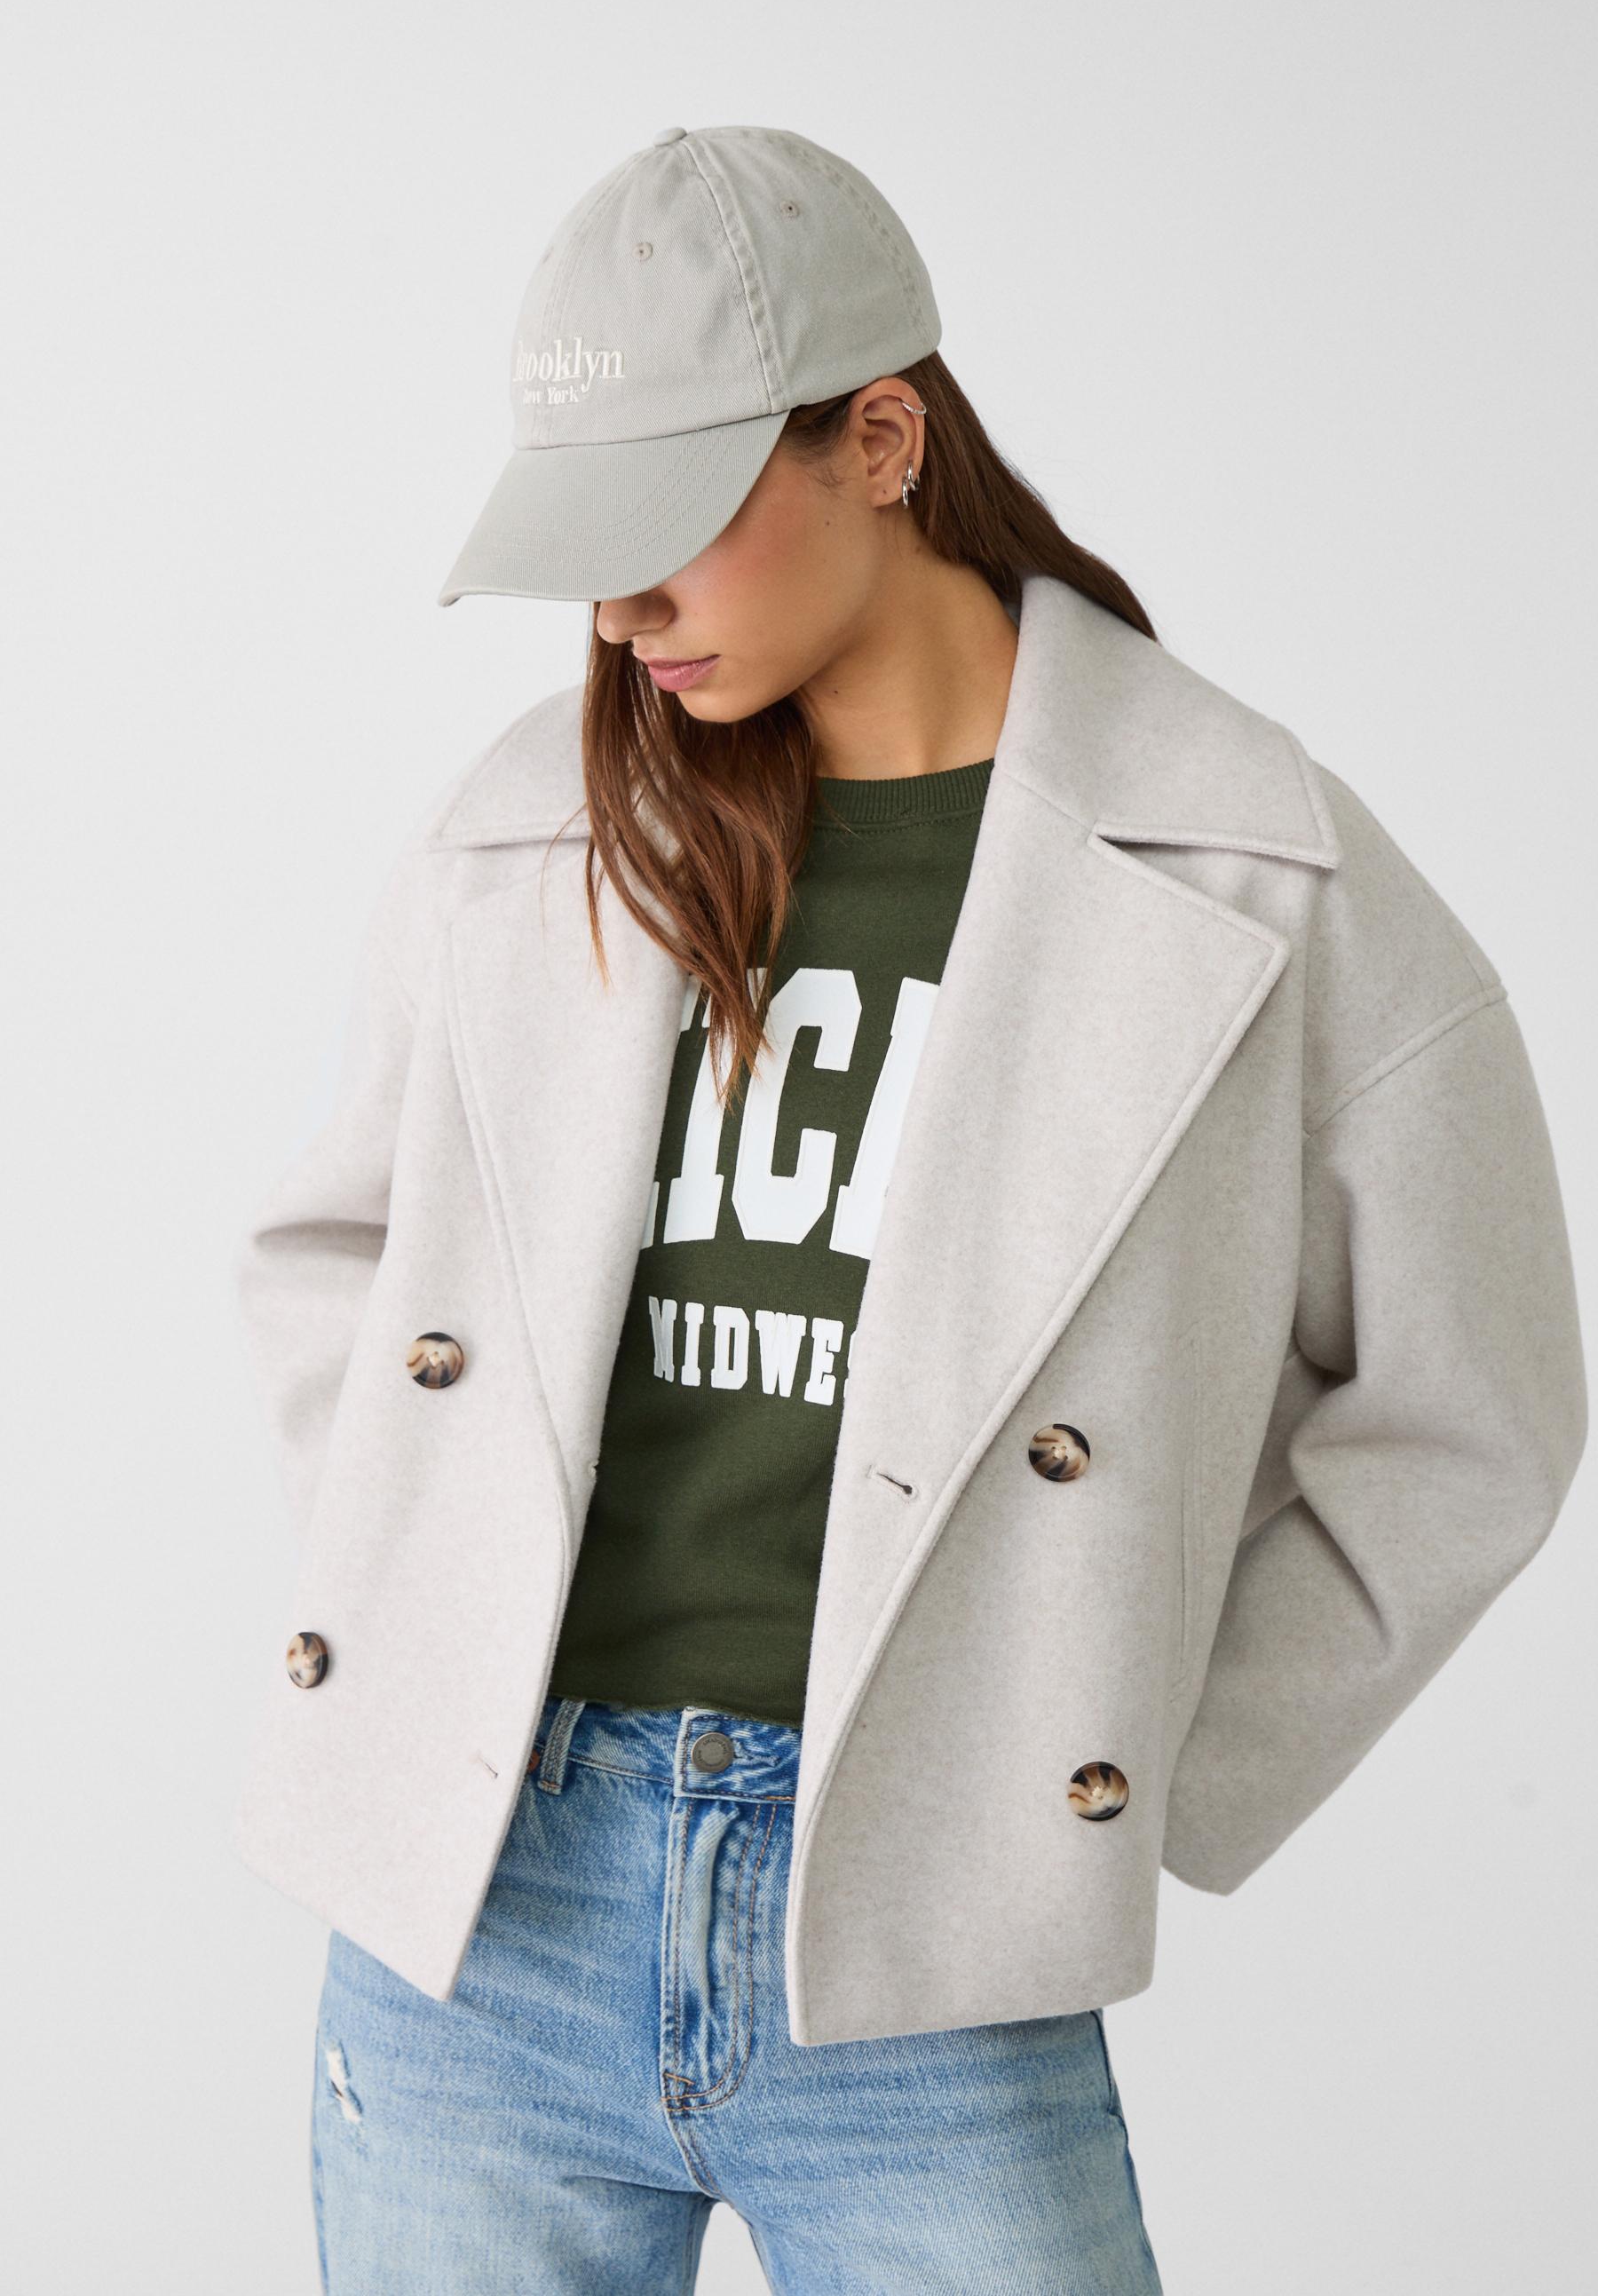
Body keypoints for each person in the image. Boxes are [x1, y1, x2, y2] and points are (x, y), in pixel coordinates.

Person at [231, 126, 1586, 2293]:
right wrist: (436, 1591)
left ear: (881, 441)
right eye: (583, 543)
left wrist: (1111, 1744)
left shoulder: (1250, 861)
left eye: (669, 526)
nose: (618, 610)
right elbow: (332, 1264)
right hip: (480, 1906)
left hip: (924, 1943)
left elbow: (1474, 1401)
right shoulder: (525, 829)